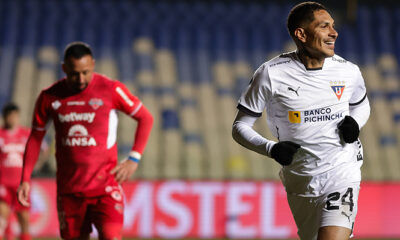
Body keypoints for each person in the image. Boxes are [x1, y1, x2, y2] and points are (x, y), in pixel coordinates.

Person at [232, 2, 370, 240]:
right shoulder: (271, 74)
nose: (334, 32)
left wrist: (355, 123)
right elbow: (240, 127)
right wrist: (271, 148)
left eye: (333, 26)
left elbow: (361, 105)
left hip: (342, 171)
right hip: (301, 180)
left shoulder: (348, 71)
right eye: (324, 26)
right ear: (301, 34)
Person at [17, 42, 154, 240]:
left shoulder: (111, 89)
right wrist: (26, 178)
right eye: (74, 73)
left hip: (105, 187)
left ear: (93, 65)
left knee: (111, 236)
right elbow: (35, 138)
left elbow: (146, 118)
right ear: (64, 68)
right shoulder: (49, 97)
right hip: (70, 191)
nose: (81, 79)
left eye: (86, 72)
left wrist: (133, 159)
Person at [0, 103, 38, 240]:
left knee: (24, 219)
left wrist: (34, 166)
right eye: (9, 116)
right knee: (1, 219)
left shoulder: (26, 133)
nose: (12, 119)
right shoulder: (0, 134)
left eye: (15, 116)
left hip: (21, 184)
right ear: (4, 117)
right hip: (3, 183)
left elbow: (41, 149)